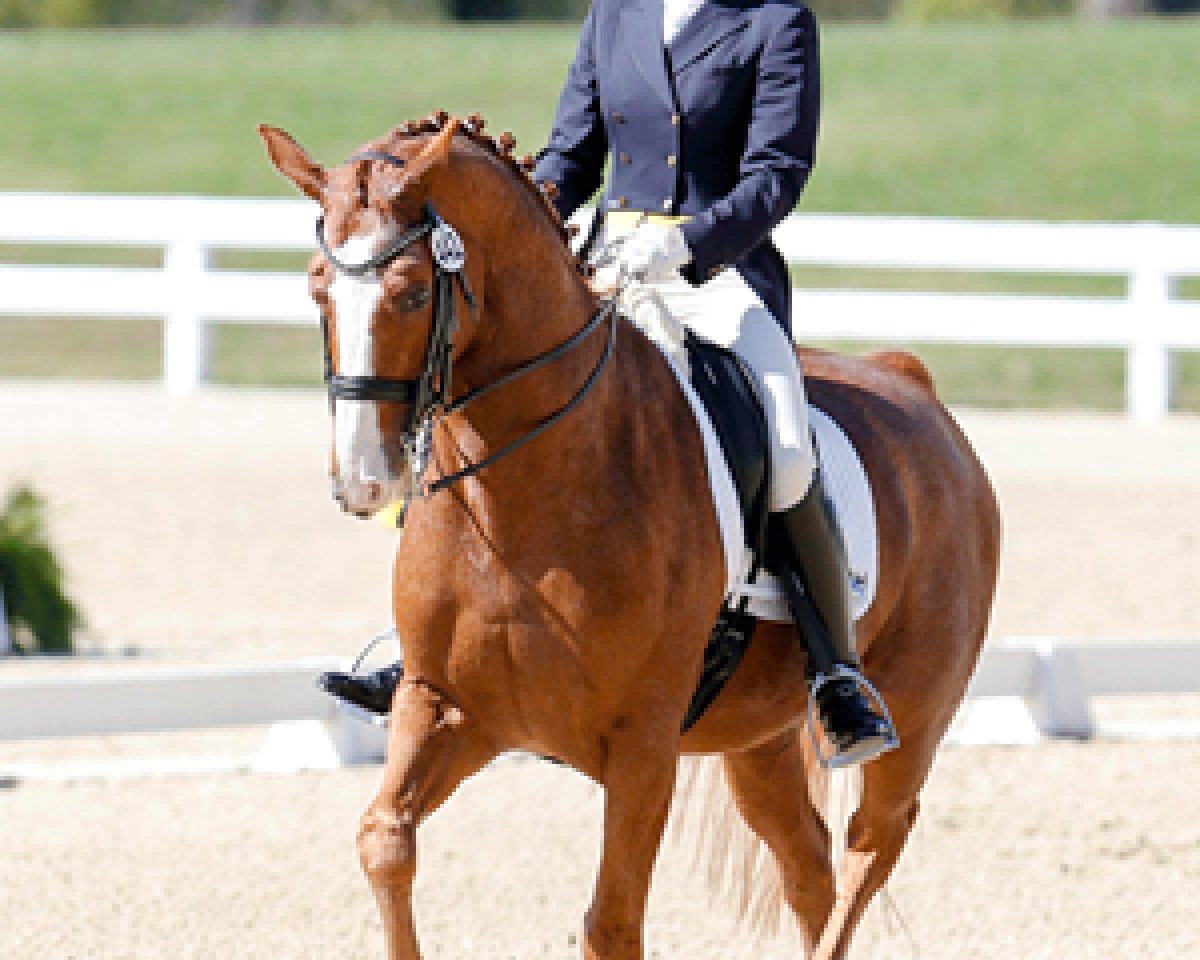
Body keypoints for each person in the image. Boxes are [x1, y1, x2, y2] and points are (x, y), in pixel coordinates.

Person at [321, 0, 897, 768]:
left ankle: (834, 672)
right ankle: (422, 644)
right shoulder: (616, 14)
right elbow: (569, 154)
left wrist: (685, 247)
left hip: (716, 273)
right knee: (468, 394)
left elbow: (776, 177)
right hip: (603, 255)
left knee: (787, 439)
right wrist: (537, 229)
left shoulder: (775, 21)